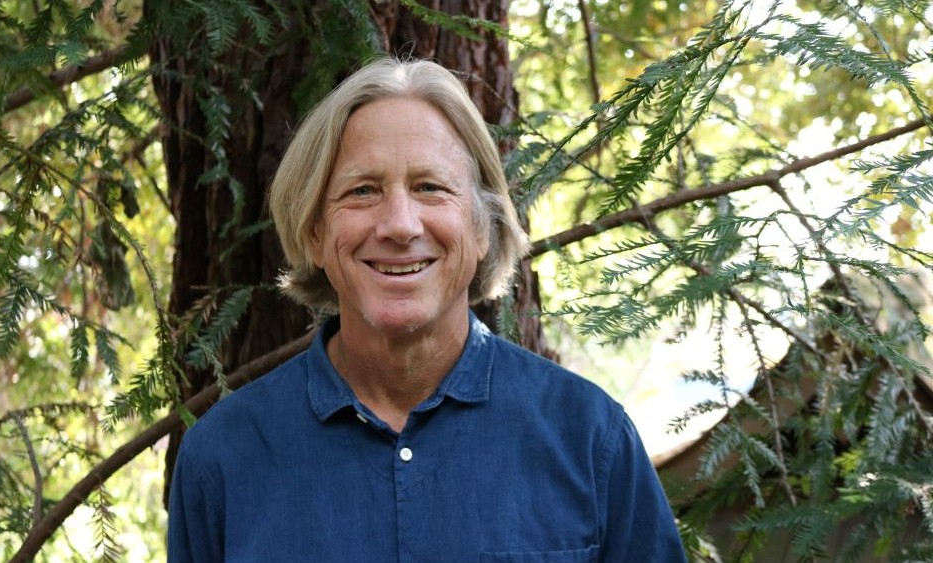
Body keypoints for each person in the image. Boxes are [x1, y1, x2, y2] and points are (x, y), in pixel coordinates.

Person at [168, 58, 686, 562]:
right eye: (363, 190)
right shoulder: (222, 460)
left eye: (430, 188)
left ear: (482, 227)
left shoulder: (592, 440)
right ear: (314, 233)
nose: (400, 224)